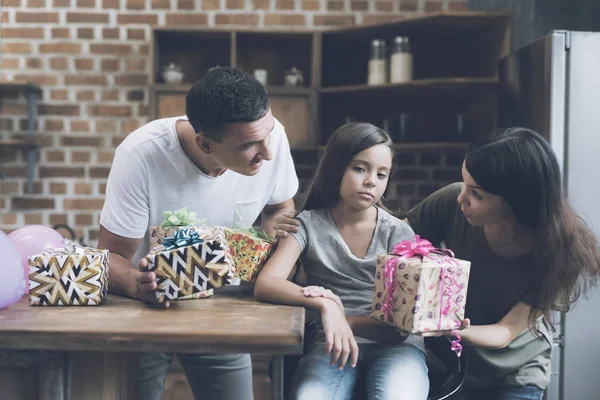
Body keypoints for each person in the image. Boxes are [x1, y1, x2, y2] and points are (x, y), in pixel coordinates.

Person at [284, 127, 600, 400]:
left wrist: (444, 325)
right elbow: (390, 254)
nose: (461, 198)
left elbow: (504, 333)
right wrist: (301, 248)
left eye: (476, 193)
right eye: (464, 184)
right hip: (447, 359)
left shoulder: (562, 254)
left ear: (516, 201)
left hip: (513, 373)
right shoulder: (451, 203)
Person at [97, 67, 299, 400]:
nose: (268, 153)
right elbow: (112, 255)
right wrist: (136, 284)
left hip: (222, 305)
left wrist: (270, 227)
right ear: (206, 143)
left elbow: (281, 208)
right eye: (250, 145)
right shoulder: (140, 156)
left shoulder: (270, 136)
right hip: (144, 309)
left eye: (269, 134)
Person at [255, 122, 429, 400]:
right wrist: (326, 304)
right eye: (359, 168)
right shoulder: (307, 225)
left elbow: (398, 330)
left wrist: (346, 319)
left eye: (381, 174)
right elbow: (267, 283)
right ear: (336, 167)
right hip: (330, 344)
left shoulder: (398, 233)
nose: (371, 180)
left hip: (398, 349)